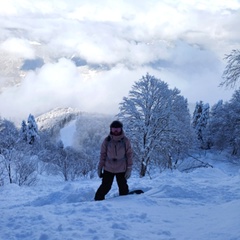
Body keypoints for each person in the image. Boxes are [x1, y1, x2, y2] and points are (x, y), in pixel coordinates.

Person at [94, 120, 133, 201]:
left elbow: (129, 155)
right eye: (114, 129)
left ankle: (125, 203)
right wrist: (100, 168)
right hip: (108, 167)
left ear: (121, 129)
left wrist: (129, 168)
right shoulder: (107, 141)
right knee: (105, 186)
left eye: (118, 129)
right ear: (110, 129)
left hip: (121, 168)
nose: (115, 130)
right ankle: (97, 201)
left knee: (123, 187)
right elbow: (103, 155)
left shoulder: (125, 141)